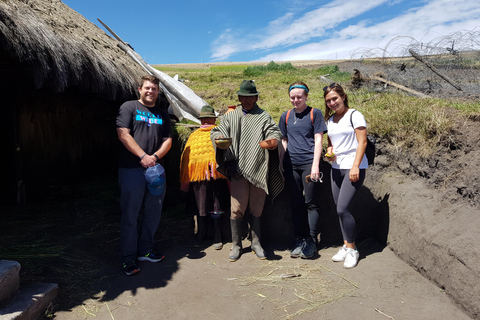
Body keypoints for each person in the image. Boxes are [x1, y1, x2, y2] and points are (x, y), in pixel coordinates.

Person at [211, 80, 284, 262]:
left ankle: (256, 243)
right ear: (239, 97)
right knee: (237, 209)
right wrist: (218, 137)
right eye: (244, 97)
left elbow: (274, 131)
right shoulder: (231, 116)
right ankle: (236, 245)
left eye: (251, 97)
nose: (247, 100)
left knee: (257, 207)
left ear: (256, 97)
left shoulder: (263, 116)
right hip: (237, 169)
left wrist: (273, 141)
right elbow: (217, 130)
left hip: (259, 168)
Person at [116, 75, 172, 275]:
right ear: (139, 89)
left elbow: (168, 140)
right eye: (147, 88)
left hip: (155, 170)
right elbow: (123, 134)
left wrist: (154, 157)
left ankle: (146, 250)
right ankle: (128, 258)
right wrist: (142, 156)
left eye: (154, 89)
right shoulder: (129, 107)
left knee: (153, 212)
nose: (150, 91)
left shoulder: (162, 115)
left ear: (158, 92)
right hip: (132, 169)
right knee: (131, 213)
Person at [278, 81, 328, 259]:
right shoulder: (285, 116)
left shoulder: (315, 113)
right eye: (293, 97)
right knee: (296, 203)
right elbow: (284, 140)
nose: (296, 100)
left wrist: (315, 165)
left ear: (306, 96)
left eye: (299, 97)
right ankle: (300, 240)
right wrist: (281, 164)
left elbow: (319, 139)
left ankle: (312, 241)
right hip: (292, 166)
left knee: (311, 202)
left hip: (309, 164)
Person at [323, 82, 368, 269]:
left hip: (353, 167)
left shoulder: (355, 115)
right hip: (336, 168)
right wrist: (330, 152)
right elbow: (331, 143)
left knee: (342, 209)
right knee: (339, 209)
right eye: (328, 101)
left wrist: (356, 166)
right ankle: (345, 244)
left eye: (335, 98)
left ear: (343, 96)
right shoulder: (330, 120)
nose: (332, 103)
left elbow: (362, 142)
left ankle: (352, 249)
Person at [179, 105, 230, 250]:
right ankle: (200, 233)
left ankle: (217, 236)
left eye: (209, 118)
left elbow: (226, 151)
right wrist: (186, 177)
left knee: (216, 206)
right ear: (201, 120)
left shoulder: (219, 132)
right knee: (200, 205)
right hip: (199, 179)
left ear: (214, 119)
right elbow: (187, 157)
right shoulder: (194, 136)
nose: (207, 120)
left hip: (217, 177)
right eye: (204, 118)